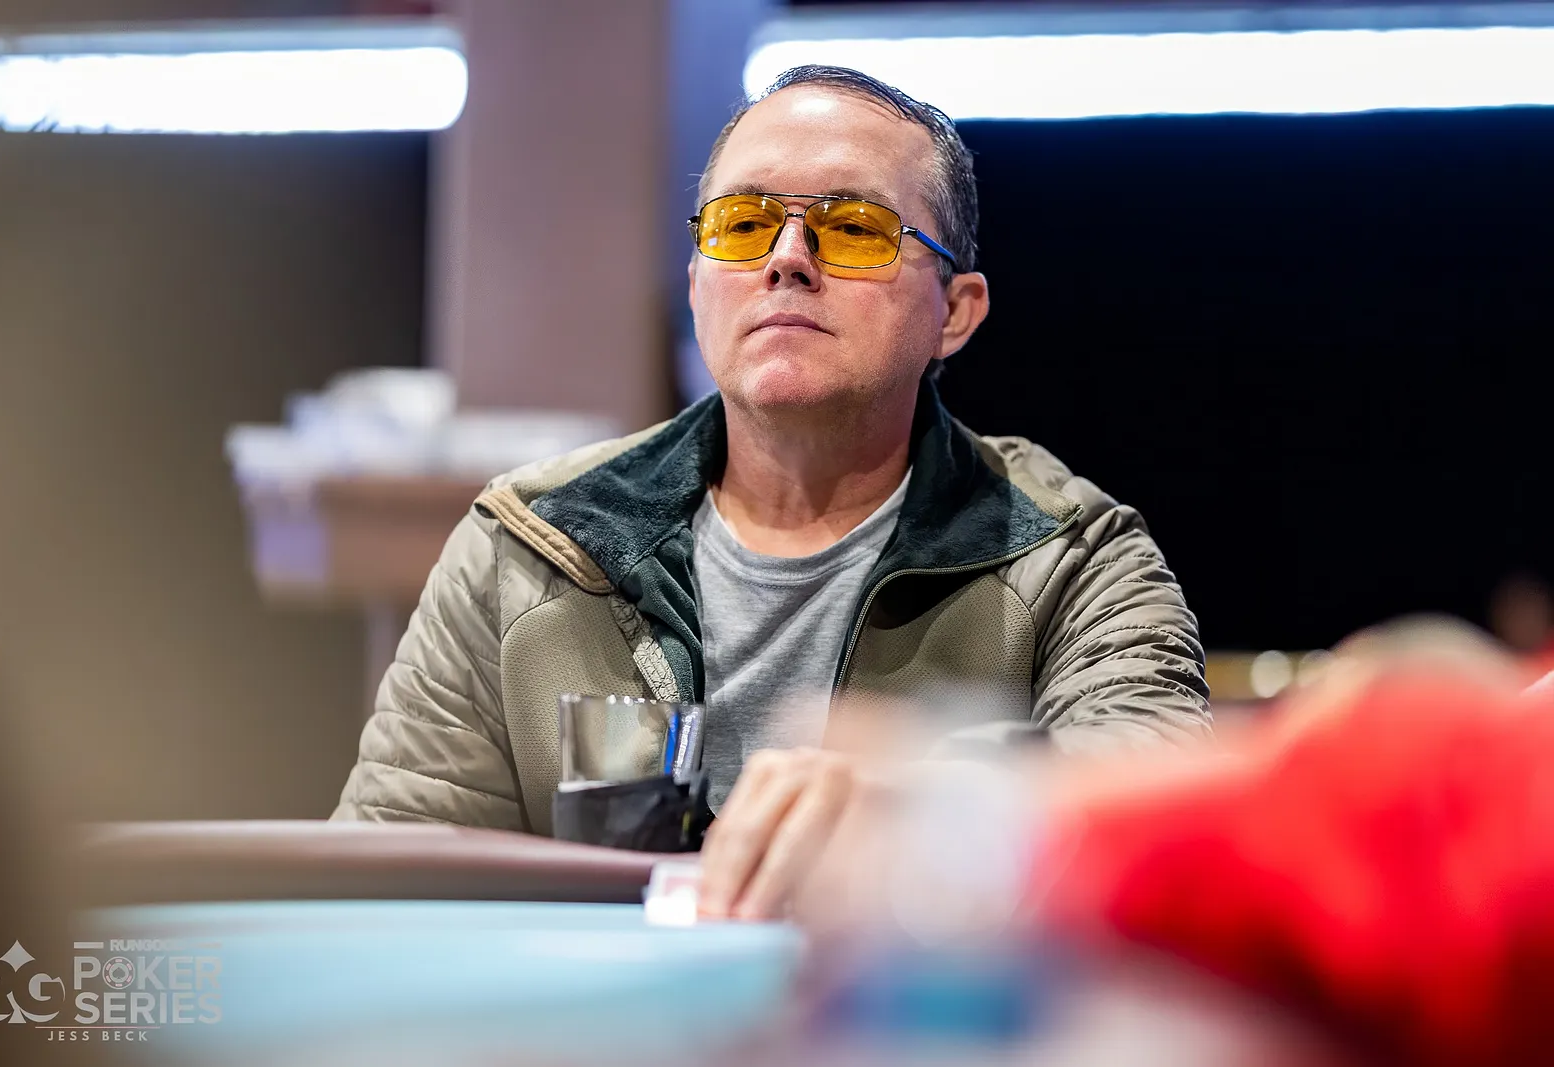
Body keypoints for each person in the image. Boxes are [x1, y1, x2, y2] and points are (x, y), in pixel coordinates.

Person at [333, 67, 1209, 891]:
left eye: (854, 228)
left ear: (954, 311)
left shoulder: (1071, 556)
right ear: (697, 285)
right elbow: (388, 883)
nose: (787, 258)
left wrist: (914, 794)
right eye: (744, 226)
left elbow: (1155, 807)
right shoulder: (526, 547)